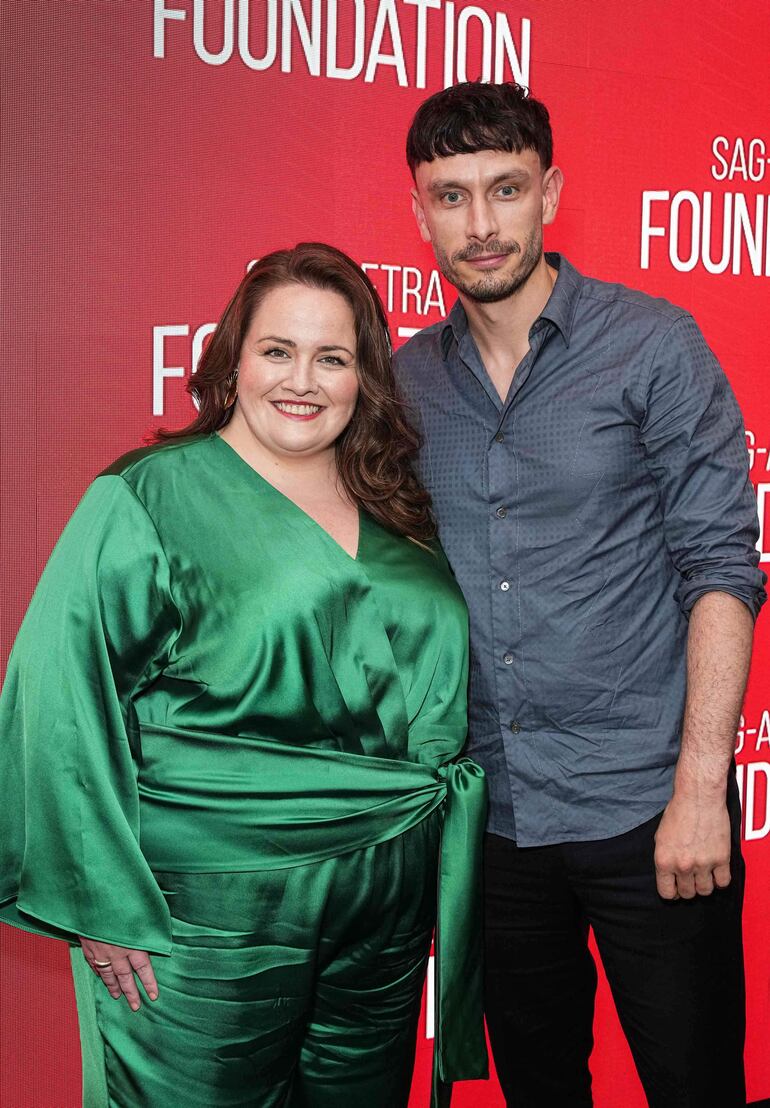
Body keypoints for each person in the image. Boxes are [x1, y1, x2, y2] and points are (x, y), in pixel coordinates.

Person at [0, 243, 488, 1107]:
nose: (302, 379)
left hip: (385, 909)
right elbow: (57, 698)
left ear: (362, 376)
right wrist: (100, 895)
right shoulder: (149, 495)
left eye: (331, 358)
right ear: (233, 360)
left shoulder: (396, 502)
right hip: (207, 912)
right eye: (277, 351)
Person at [394, 82, 766, 1108]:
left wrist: (698, 789)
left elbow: (719, 568)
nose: (479, 224)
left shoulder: (650, 345)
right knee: (536, 1087)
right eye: (450, 195)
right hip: (495, 824)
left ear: (548, 193)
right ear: (417, 211)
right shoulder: (403, 385)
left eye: (503, 188)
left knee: (694, 1085)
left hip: (648, 809)